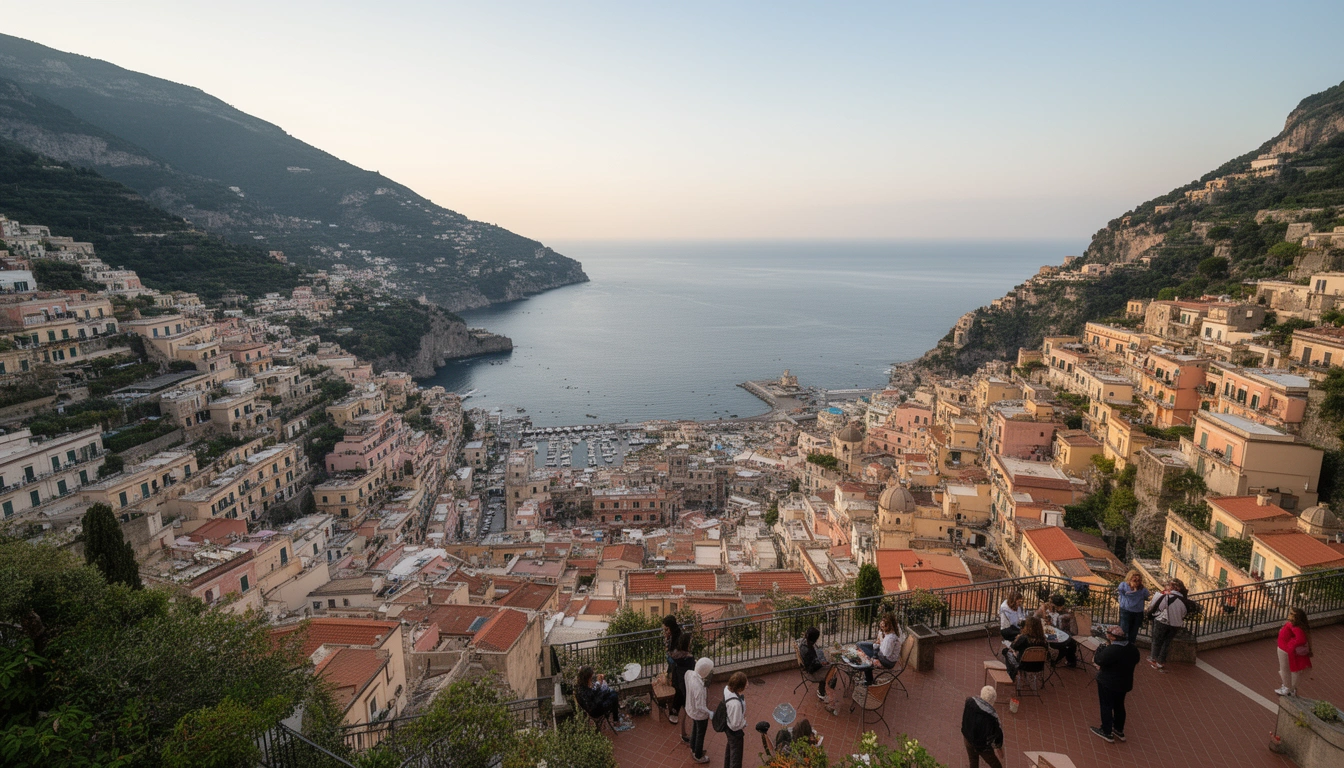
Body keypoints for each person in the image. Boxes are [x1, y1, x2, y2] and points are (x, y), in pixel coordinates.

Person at [1090, 624, 1140, 743]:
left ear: (1112, 637)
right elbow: (1136, 659)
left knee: (1106, 705)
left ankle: (1106, 731)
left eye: (1108, 633)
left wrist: (1101, 649)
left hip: (1108, 682)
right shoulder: (1132, 648)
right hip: (1124, 683)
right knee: (1119, 705)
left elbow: (1098, 659)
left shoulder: (1113, 650)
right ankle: (1118, 729)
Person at [575, 665, 633, 732]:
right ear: (587, 677)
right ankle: (616, 720)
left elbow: (593, 694)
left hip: (595, 705)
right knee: (614, 696)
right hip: (596, 711)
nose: (592, 678)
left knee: (612, 692)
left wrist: (600, 687)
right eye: (591, 677)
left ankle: (616, 716)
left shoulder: (581, 686)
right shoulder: (585, 691)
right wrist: (602, 693)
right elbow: (595, 703)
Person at [1146, 579, 1187, 670]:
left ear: (1172, 587)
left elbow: (1158, 608)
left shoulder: (1166, 597)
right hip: (1176, 624)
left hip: (1162, 621)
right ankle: (1161, 662)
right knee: (1166, 643)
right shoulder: (1184, 600)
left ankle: (1153, 658)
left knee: (1157, 640)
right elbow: (1184, 613)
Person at [960, 685, 1005, 768]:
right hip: (982, 746)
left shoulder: (969, 702)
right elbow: (997, 734)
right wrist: (998, 748)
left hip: (967, 738)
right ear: (993, 700)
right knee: (996, 765)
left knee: (973, 761)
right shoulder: (992, 717)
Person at [856, 613, 905, 683]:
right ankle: (865, 670)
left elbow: (886, 653)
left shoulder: (890, 639)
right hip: (882, 653)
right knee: (859, 644)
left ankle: (869, 680)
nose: (882, 628)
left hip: (886, 661)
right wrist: (879, 641)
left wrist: (876, 649)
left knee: (866, 658)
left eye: (884, 626)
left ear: (889, 626)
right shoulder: (891, 632)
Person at [800, 626, 838, 714]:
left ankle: (822, 689)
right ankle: (822, 692)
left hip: (810, 666)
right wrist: (822, 663)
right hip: (812, 671)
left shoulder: (804, 643)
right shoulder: (808, 651)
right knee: (832, 673)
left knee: (830, 666)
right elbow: (813, 666)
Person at [1276, 607, 1312, 696]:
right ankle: (1289, 687)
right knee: (1286, 669)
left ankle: (1288, 688)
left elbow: (1301, 639)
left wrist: (1290, 645)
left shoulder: (1295, 627)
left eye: (1291, 614)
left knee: (1285, 669)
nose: (1289, 615)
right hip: (1284, 649)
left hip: (1285, 650)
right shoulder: (1291, 625)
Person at [684, 657, 714, 764]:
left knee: (695, 728)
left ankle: (693, 747)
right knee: (700, 733)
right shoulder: (699, 687)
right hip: (699, 714)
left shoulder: (690, 674)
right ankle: (698, 754)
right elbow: (700, 706)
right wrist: (709, 713)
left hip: (691, 709)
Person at [1036, 595, 1079, 668]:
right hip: (1053, 634)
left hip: (1064, 634)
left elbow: (1065, 629)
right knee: (1052, 640)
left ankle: (1063, 658)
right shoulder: (1047, 609)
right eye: (1058, 606)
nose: (1059, 608)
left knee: (1068, 642)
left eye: (1061, 606)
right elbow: (1035, 618)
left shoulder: (1065, 613)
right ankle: (1056, 657)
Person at [1003, 617, 1048, 682]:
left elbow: (1013, 647)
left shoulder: (1024, 638)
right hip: (1039, 666)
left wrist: (1017, 639)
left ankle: (1011, 674)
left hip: (1023, 665)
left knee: (1006, 651)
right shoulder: (1044, 641)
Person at [669, 631, 696, 726]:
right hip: (685, 680)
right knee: (683, 697)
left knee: (679, 694)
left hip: (677, 678)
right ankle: (682, 715)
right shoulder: (689, 658)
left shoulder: (675, 655)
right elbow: (692, 669)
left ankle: (674, 711)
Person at [1117, 571, 1150, 645]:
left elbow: (1120, 592)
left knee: (1125, 630)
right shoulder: (1142, 590)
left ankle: (1122, 647)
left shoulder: (1123, 586)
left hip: (1127, 610)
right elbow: (1147, 596)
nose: (1137, 582)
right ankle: (1128, 647)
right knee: (1132, 631)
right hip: (1135, 612)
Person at [722, 671, 748, 768]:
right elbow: (735, 724)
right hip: (735, 732)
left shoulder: (727, 690)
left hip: (728, 728)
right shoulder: (735, 704)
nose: (747, 684)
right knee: (736, 758)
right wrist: (744, 723)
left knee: (730, 750)